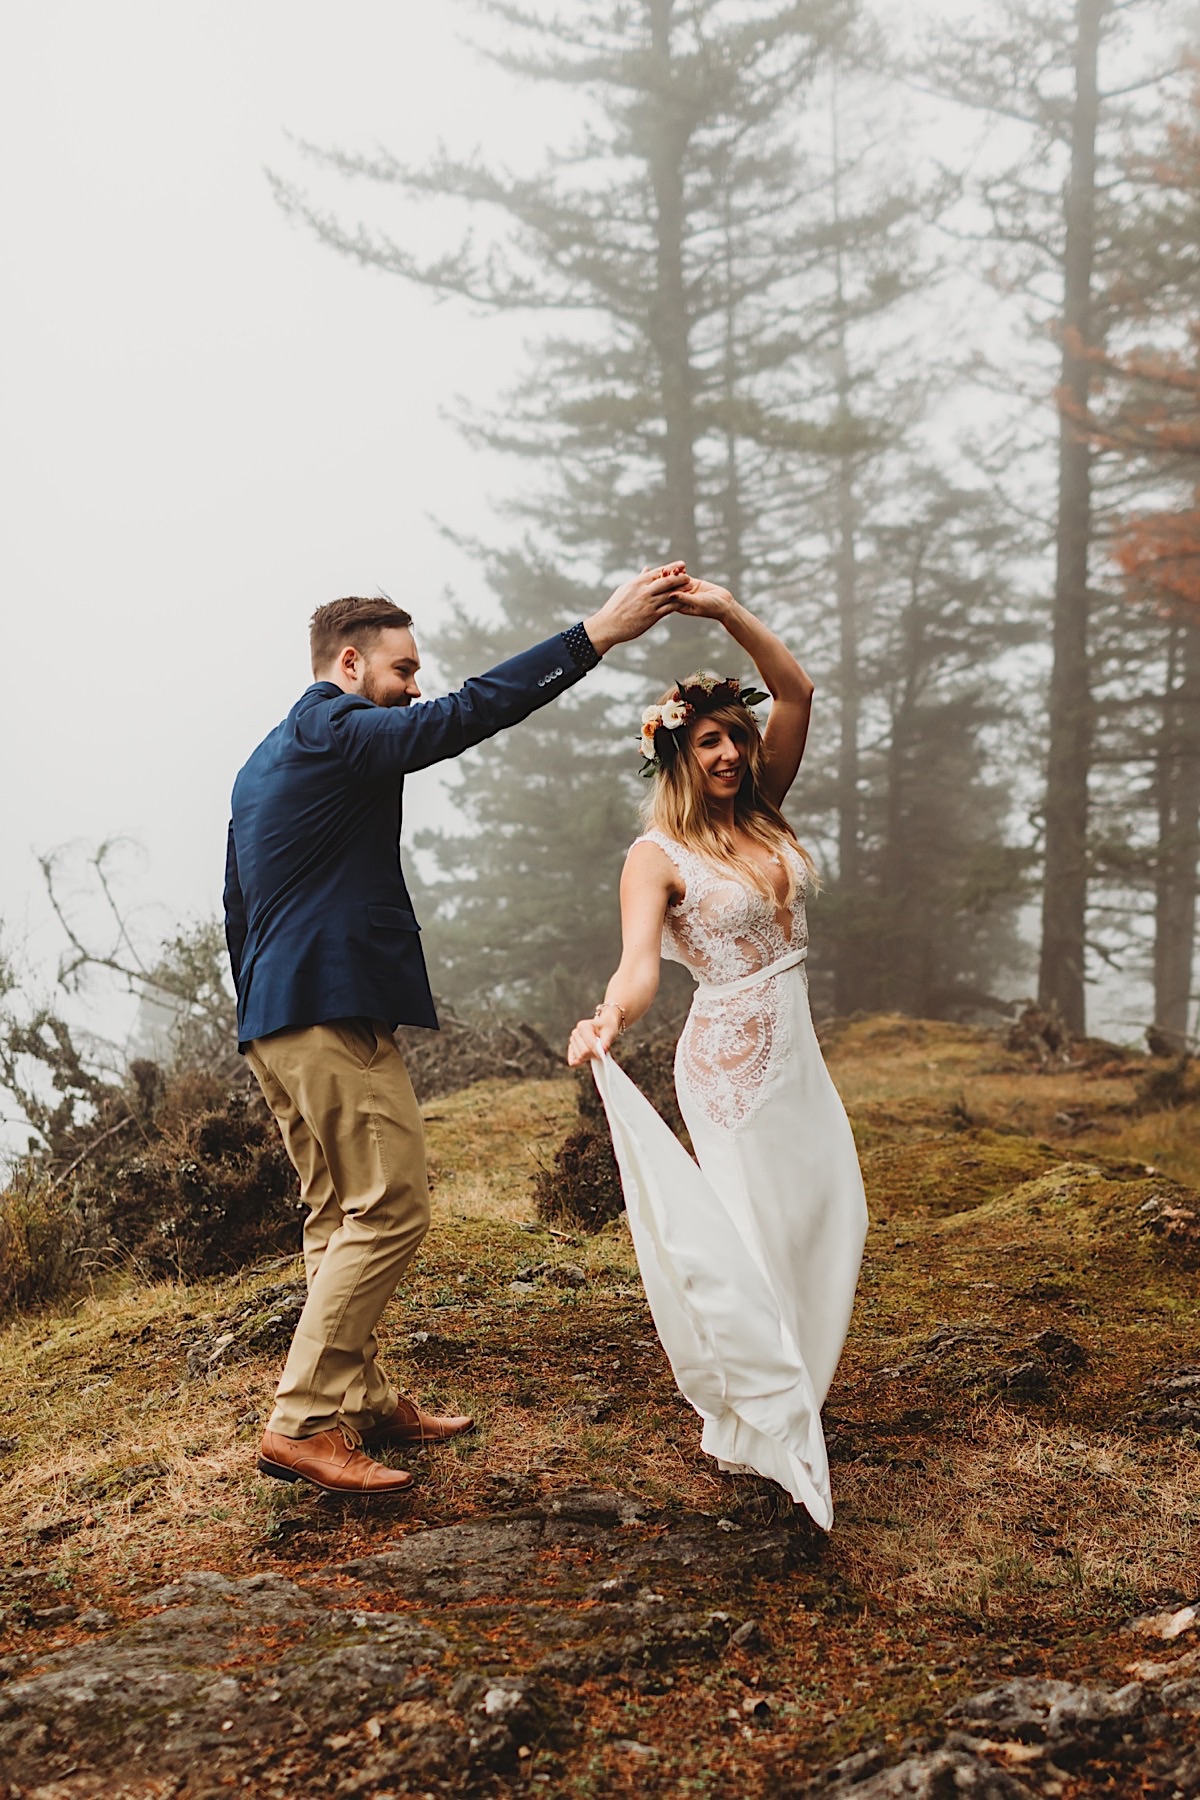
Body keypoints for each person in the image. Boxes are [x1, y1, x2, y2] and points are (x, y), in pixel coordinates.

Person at [224, 565, 688, 1497]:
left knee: (338, 1215)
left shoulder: (267, 757)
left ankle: (356, 1397)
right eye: (402, 669)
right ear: (348, 665)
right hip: (324, 1013)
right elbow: (457, 720)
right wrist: (592, 636)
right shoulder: (335, 724)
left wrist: (264, 1014)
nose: (414, 686)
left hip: (276, 1018)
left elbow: (238, 902)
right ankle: (302, 1421)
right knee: (391, 1209)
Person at [567, 578, 867, 1528]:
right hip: (727, 1066)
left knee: (832, 1212)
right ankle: (767, 1420)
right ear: (677, 755)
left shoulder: (765, 809)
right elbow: (640, 971)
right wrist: (608, 1019)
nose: (733, 750)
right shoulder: (656, 855)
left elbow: (801, 692)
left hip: (798, 1059)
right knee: (754, 1237)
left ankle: (793, 1389)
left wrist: (727, 612)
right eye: (710, 740)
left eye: (737, 735)